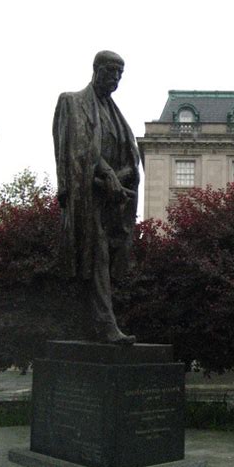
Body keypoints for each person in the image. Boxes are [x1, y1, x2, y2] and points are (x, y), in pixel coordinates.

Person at [53, 51, 139, 344]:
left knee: (107, 262)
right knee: (97, 256)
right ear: (96, 69)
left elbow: (131, 159)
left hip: (115, 202)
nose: (115, 78)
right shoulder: (72, 102)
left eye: (120, 74)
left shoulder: (118, 117)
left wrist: (119, 177)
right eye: (111, 71)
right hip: (87, 196)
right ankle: (106, 325)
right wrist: (105, 175)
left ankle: (87, 324)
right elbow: (77, 149)